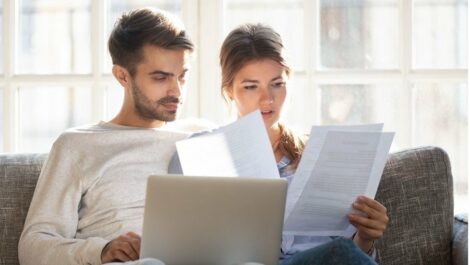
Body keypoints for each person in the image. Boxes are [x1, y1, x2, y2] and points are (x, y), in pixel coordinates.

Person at [18, 8, 206, 265]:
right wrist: (102, 250)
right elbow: (33, 246)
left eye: (182, 76)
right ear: (122, 76)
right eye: (160, 77)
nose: (176, 90)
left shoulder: (202, 137)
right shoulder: (77, 146)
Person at [219, 23, 389, 264]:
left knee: (340, 250)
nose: (267, 98)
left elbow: (352, 254)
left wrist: (366, 236)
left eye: (277, 84)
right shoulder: (210, 155)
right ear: (229, 91)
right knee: (339, 250)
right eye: (250, 87)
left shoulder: (318, 152)